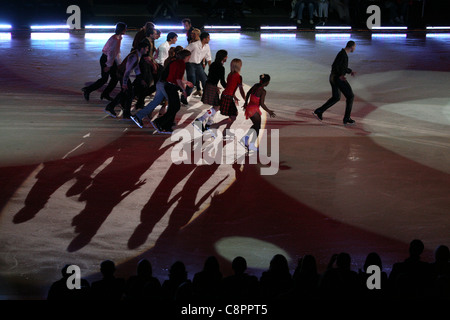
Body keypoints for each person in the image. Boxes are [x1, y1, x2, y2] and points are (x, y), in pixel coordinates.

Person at [131, 46, 184, 129]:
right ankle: (164, 122)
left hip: (161, 83)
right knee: (174, 104)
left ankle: (139, 116)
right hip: (165, 84)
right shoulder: (176, 62)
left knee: (157, 101)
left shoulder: (170, 60)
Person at [313, 40, 357, 125]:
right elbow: (335, 66)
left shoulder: (343, 54)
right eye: (354, 47)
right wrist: (340, 75)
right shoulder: (343, 55)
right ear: (351, 47)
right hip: (337, 78)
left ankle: (319, 110)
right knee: (350, 96)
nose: (355, 48)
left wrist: (350, 71)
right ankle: (346, 118)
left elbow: (342, 67)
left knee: (336, 97)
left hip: (333, 77)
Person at [151, 49, 193, 133]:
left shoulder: (174, 62)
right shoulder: (181, 64)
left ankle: (167, 126)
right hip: (171, 87)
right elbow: (178, 79)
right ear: (186, 57)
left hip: (168, 85)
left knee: (174, 107)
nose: (189, 59)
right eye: (189, 57)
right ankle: (159, 122)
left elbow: (175, 77)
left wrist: (186, 82)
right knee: (175, 107)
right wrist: (184, 91)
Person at [82, 22, 127, 102]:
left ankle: (105, 94)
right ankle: (88, 90)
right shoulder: (114, 39)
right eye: (125, 28)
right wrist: (108, 65)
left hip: (110, 59)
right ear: (122, 30)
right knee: (104, 79)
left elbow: (116, 52)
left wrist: (118, 63)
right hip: (106, 59)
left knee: (115, 78)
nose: (126, 30)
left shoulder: (118, 37)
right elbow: (111, 53)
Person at [104, 41, 149, 119]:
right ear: (142, 48)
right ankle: (123, 112)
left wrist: (141, 78)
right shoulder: (134, 56)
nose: (147, 50)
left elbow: (136, 68)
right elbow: (127, 71)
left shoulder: (137, 55)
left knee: (126, 93)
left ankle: (114, 108)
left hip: (122, 74)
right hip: (122, 74)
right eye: (147, 48)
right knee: (128, 93)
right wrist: (124, 83)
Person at [193, 49, 228, 133]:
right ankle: (200, 120)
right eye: (226, 56)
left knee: (216, 106)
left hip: (209, 85)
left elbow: (211, 77)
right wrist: (229, 88)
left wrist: (215, 86)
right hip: (212, 86)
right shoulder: (221, 67)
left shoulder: (212, 65)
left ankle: (209, 123)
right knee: (217, 106)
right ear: (223, 57)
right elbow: (222, 81)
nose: (227, 57)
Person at [240, 74, 276, 151]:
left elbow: (248, 93)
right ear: (266, 82)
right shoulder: (263, 91)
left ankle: (245, 139)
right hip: (254, 110)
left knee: (255, 126)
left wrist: (246, 103)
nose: (268, 83)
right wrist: (269, 111)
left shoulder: (256, 85)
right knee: (257, 128)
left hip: (249, 108)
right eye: (268, 82)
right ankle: (251, 144)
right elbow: (262, 104)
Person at [213, 58, 246, 136]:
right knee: (233, 116)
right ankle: (216, 125)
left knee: (233, 115)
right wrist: (246, 99)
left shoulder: (230, 74)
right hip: (228, 97)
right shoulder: (238, 76)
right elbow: (241, 90)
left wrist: (234, 97)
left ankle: (225, 130)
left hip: (225, 96)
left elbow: (230, 87)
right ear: (239, 66)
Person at [184, 31, 212, 103]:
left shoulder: (207, 46)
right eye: (208, 38)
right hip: (190, 64)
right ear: (204, 39)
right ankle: (184, 96)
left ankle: (206, 97)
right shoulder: (194, 45)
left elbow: (208, 57)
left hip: (198, 64)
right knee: (192, 82)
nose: (209, 39)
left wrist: (211, 68)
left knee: (205, 80)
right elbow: (184, 52)